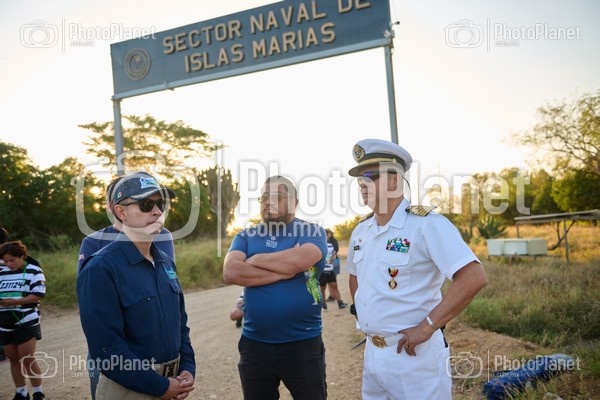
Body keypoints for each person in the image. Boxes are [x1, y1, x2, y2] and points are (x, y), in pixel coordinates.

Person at [345, 138, 488, 400]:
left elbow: (473, 276)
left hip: (415, 356)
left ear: (394, 181)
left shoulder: (426, 224)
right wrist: (366, 320)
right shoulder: (361, 231)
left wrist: (427, 326)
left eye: (371, 176)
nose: (362, 184)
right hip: (373, 353)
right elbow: (355, 277)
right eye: (359, 179)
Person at [77, 171, 195, 400]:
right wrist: (160, 386)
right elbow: (107, 349)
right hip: (130, 389)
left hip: (173, 384)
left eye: (161, 204)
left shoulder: (165, 262)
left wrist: (188, 367)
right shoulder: (100, 268)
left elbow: (181, 325)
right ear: (121, 212)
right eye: (145, 204)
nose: (157, 211)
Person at [223, 175, 328, 400]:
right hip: (254, 345)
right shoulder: (246, 235)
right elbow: (231, 272)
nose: (268, 202)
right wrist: (283, 271)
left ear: (294, 202)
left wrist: (254, 259)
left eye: (277, 197)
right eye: (263, 197)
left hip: (302, 344)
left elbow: (298, 261)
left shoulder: (311, 232)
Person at [0, 240, 47, 400]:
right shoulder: (2, 272)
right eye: (6, 261)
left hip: (26, 321)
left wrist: (15, 302)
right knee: (13, 360)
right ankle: (21, 393)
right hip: (4, 323)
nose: (9, 264)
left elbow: (38, 294)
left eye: (12, 260)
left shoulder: (34, 270)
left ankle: (38, 392)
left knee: (28, 359)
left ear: (22, 256)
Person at [319, 235, 348, 310]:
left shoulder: (330, 245)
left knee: (334, 286)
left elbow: (334, 254)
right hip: (322, 271)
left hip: (330, 269)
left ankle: (340, 303)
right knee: (322, 288)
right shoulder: (318, 245)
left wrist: (332, 259)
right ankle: (323, 304)